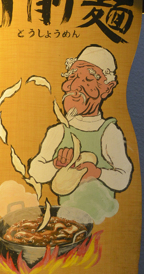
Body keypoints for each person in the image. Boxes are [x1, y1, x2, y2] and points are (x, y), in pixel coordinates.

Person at [29, 45, 132, 224]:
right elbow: (35, 171)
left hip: (104, 224)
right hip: (67, 223)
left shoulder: (108, 132)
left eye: (88, 79)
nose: (76, 86)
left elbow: (124, 176)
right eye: (74, 76)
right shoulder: (58, 131)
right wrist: (56, 164)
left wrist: (98, 172)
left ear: (107, 88)